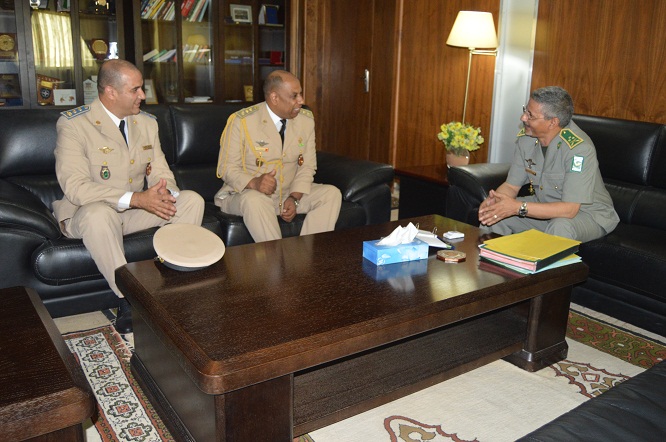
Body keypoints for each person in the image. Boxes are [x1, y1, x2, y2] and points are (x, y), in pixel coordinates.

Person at [53, 59, 205, 333]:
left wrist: (164, 192)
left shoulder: (147, 123)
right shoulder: (74, 124)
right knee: (100, 214)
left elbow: (161, 170)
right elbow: (75, 188)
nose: (143, 96)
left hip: (133, 211)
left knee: (191, 199)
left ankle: (172, 288)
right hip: (86, 213)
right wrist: (138, 199)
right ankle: (128, 299)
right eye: (135, 90)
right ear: (110, 92)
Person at [477, 86, 619, 242]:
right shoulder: (526, 140)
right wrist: (496, 203)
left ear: (552, 122)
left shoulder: (579, 149)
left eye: (530, 115)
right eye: (525, 110)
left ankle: (541, 267)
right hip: (545, 206)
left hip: (587, 215)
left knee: (560, 226)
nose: (523, 118)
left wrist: (517, 207)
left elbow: (570, 210)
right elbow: (511, 186)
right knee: (495, 216)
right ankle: (489, 263)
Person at [215, 70, 341, 242]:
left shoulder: (305, 120)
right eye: (294, 96)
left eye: (301, 94)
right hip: (245, 194)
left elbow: (307, 165)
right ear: (274, 98)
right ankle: (277, 265)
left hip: (287, 193)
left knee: (331, 194)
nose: (301, 101)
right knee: (256, 201)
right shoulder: (242, 122)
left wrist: (294, 198)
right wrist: (255, 182)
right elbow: (226, 168)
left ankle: (308, 260)